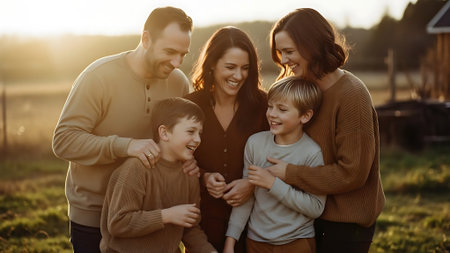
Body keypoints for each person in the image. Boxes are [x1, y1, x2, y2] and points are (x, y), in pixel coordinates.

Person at [52, 7, 199, 252]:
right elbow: (64, 140)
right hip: (93, 214)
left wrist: (190, 161)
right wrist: (126, 145)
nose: (176, 62)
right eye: (170, 52)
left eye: (183, 54)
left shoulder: (178, 82)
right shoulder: (99, 76)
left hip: (152, 214)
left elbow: (184, 136)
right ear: (146, 39)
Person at [266, 8, 385, 253]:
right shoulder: (298, 91)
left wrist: (290, 173)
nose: (284, 60)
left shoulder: (351, 95)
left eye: (289, 51)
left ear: (312, 46)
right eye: (280, 53)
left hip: (344, 225)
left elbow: (352, 173)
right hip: (304, 214)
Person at [184, 26, 269, 252]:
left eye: (245, 68)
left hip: (255, 228)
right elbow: (176, 159)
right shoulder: (190, 106)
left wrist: (252, 184)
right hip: (202, 227)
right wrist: (204, 177)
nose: (238, 76)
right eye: (230, 67)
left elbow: (282, 155)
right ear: (212, 64)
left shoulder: (264, 106)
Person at [99, 97, 217, 253]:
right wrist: (166, 216)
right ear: (164, 133)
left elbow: (190, 228)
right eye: (190, 131)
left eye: (200, 133)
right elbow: (118, 223)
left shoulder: (189, 174)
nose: (198, 139)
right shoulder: (136, 168)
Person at [223, 77, 326, 253]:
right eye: (270, 106)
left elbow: (316, 207)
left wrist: (272, 184)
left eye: (282, 109)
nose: (272, 114)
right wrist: (230, 241)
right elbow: (246, 198)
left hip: (297, 243)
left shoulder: (311, 153)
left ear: (305, 116)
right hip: (256, 243)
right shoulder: (255, 144)